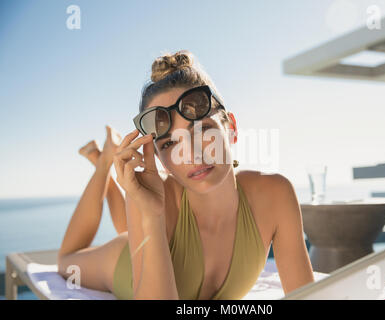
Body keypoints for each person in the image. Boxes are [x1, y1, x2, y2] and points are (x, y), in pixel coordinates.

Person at [57, 50, 314, 300]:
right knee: (67, 262)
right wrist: (151, 214)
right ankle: (103, 165)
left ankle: (105, 160)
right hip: (123, 263)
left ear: (232, 128)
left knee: (132, 227)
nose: (190, 155)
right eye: (169, 144)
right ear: (160, 160)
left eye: (202, 130)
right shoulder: (148, 203)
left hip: (156, 233)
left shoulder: (275, 195)